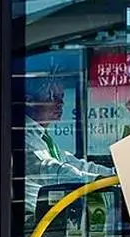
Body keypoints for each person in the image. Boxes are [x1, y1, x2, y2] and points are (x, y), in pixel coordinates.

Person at [22, 75, 115, 223]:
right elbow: (52, 169)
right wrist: (96, 181)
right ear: (29, 100)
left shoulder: (42, 138)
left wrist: (114, 175)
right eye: (51, 96)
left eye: (61, 97)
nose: (60, 103)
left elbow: (74, 164)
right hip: (29, 222)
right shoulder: (23, 136)